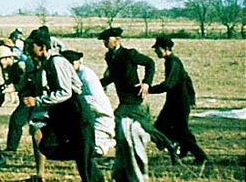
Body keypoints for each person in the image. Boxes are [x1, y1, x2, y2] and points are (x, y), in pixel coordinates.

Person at [22, 30, 108, 182]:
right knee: (47, 146)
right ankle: (83, 151)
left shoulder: (57, 62)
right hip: (61, 113)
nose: (28, 49)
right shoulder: (46, 64)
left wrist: (37, 101)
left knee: (84, 161)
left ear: (42, 47)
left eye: (32, 45)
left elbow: (65, 92)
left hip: (75, 112)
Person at [98, 27, 178, 164]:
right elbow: (112, 76)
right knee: (145, 127)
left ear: (117, 40)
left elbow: (149, 63)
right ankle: (169, 145)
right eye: (104, 41)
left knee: (116, 120)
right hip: (123, 96)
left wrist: (146, 83)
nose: (105, 43)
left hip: (133, 95)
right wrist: (96, 84)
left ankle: (116, 156)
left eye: (107, 40)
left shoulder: (129, 54)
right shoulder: (109, 56)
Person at [150, 36, 206, 165]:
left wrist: (148, 89)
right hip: (174, 102)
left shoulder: (173, 62)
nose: (156, 51)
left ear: (165, 48)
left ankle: (200, 156)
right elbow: (187, 79)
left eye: (157, 49)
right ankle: (183, 148)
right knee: (163, 126)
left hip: (178, 103)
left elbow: (168, 84)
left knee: (178, 131)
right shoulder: (171, 61)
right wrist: (191, 97)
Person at [62, 50, 115, 157]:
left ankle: (121, 154)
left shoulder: (85, 75)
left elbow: (93, 100)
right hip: (90, 115)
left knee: (96, 149)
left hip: (100, 115)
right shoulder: (77, 73)